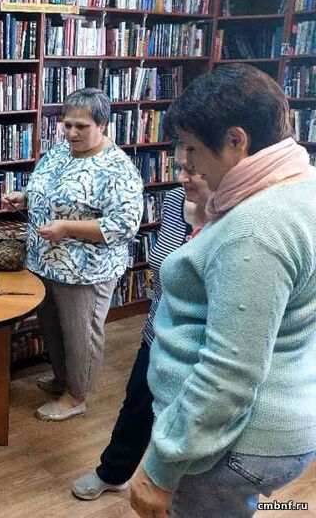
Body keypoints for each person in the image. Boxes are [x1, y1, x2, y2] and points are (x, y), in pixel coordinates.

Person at [130, 64, 316, 517]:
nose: (187, 164)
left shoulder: (256, 228)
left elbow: (228, 374)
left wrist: (160, 467)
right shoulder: (300, 187)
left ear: (236, 140)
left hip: (231, 445)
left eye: (193, 148)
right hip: (271, 422)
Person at [2, 87, 144, 421]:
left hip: (86, 270)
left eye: (81, 126)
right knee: (53, 327)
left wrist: (67, 227)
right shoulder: (59, 152)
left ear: (102, 125)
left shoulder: (117, 168)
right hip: (45, 261)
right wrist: (26, 197)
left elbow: (125, 225)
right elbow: (48, 189)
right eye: (67, 124)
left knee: (81, 334)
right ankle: (63, 378)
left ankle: (76, 396)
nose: (71, 132)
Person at [70, 163, 209, 500]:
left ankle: (180, 492)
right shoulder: (174, 200)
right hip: (158, 331)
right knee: (137, 404)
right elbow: (163, 268)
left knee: (191, 423)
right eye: (180, 166)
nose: (182, 177)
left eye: (195, 169)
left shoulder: (240, 218)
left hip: (204, 345)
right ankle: (113, 472)